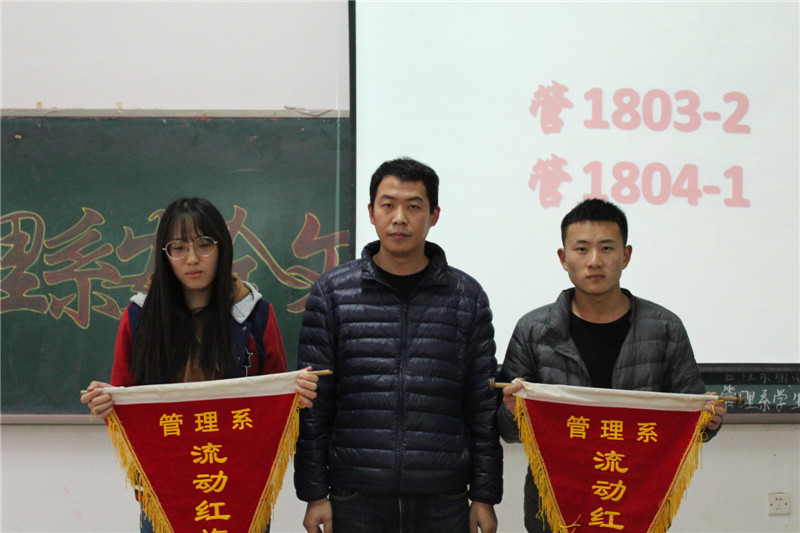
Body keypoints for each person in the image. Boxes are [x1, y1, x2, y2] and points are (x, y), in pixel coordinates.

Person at [80, 197, 319, 533]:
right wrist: (107, 402)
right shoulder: (139, 317)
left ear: (222, 248)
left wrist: (298, 396)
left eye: (204, 245)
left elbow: (277, 403)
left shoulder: (255, 315)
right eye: (178, 248)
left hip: (239, 486)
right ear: (165, 255)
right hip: (165, 488)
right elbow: (124, 398)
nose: (192, 259)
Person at [293, 157, 503, 533]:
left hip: (443, 497)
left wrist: (484, 496)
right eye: (388, 205)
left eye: (414, 206)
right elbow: (313, 406)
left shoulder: (466, 296)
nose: (400, 218)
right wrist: (314, 493)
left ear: (434, 215)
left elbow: (482, 405)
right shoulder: (332, 293)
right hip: (355, 495)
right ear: (371, 212)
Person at [496, 198, 726, 533]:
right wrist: (512, 412)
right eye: (581, 249)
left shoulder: (664, 328)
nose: (594, 261)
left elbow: (694, 420)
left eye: (606, 248)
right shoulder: (534, 330)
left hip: (635, 502)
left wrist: (710, 419)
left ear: (625, 255)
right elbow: (507, 431)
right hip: (555, 506)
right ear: (563, 258)